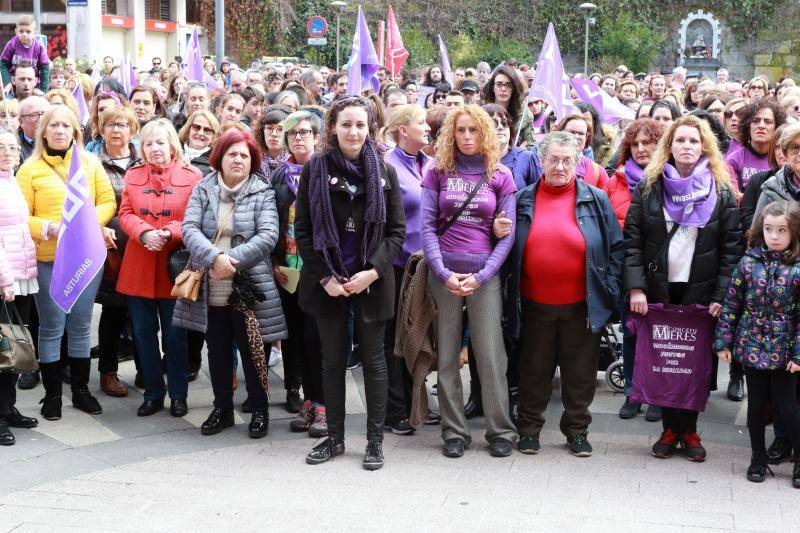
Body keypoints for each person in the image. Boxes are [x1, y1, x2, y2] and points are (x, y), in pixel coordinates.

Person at [295, 96, 405, 470]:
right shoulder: (315, 169)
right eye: (346, 124)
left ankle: (374, 442)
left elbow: (396, 232)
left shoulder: (385, 172)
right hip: (328, 281)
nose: (354, 132)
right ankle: (336, 439)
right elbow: (303, 231)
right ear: (333, 128)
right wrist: (325, 276)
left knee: (375, 361)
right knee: (332, 362)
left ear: (370, 128)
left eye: (360, 125)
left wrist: (372, 271)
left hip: (371, 280)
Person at [624, 116, 742, 461]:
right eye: (680, 141)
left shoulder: (720, 191)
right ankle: (669, 429)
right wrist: (636, 288)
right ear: (669, 147)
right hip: (659, 287)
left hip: (700, 291)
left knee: (692, 364)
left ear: (704, 146)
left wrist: (721, 295)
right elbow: (633, 242)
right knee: (664, 359)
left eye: (693, 140)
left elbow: (730, 249)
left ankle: (688, 430)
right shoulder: (650, 187)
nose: (687, 146)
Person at [505, 131, 623, 457]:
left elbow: (616, 249)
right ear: (541, 161)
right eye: (553, 160)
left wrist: (609, 291)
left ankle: (577, 430)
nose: (560, 166)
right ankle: (528, 429)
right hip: (534, 306)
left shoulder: (596, 200)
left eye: (567, 160)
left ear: (578, 163)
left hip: (581, 306)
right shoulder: (522, 199)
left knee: (580, 374)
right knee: (533, 372)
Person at [175, 129, 286, 437]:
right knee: (218, 349)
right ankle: (222, 407)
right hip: (210, 283)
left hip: (247, 284)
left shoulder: (262, 190)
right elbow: (189, 228)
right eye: (232, 154)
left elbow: (267, 236)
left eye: (245, 155)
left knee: (253, 349)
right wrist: (214, 258)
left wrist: (230, 261)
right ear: (219, 158)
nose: (238, 159)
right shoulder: (203, 187)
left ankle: (260, 409)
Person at [421, 104, 518, 459]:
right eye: (460, 130)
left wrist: (482, 276)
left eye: (473, 130)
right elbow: (427, 227)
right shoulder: (437, 172)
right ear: (451, 133)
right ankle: (454, 431)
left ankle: (500, 430)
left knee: (491, 355)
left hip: (484, 277)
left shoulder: (501, 175)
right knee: (447, 355)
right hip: (443, 275)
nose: (466, 137)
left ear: (485, 133)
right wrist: (444, 273)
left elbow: (507, 236)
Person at [16, 105, 116, 420]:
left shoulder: (90, 162)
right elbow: (20, 217)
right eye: (54, 125)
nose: (60, 130)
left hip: (86, 259)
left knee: (81, 325)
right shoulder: (29, 170)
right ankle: (53, 396)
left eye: (66, 125)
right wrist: (47, 227)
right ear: (42, 131)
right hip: (48, 260)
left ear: (76, 130)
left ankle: (81, 391)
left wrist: (83, 224)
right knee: (51, 327)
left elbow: (107, 201)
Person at [713, 200, 800, 487]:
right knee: (756, 406)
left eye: (781, 230)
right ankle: (758, 457)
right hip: (752, 348)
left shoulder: (798, 269)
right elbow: (732, 304)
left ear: (794, 232)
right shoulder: (748, 263)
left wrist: (798, 354)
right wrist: (723, 341)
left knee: (787, 407)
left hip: (785, 350)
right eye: (768, 229)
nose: (774, 236)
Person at [270, 110, 326, 436]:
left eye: (304, 132)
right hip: (288, 272)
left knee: (318, 340)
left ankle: (323, 405)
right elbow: (273, 220)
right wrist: (276, 261)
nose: (298, 138)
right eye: (292, 134)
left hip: (318, 272)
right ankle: (307, 401)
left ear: (317, 137)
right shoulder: (280, 175)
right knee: (295, 340)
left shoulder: (326, 171)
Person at [605, 119, 665, 422]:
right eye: (635, 144)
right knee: (631, 332)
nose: (641, 149)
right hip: (626, 269)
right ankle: (632, 391)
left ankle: (655, 394)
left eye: (647, 142)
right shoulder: (614, 181)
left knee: (657, 337)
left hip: (661, 271)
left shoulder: (671, 180)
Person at [382, 104, 433, 435]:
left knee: (422, 336)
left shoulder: (431, 164)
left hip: (428, 267)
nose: (428, 126)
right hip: (398, 268)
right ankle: (394, 409)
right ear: (403, 129)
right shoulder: (387, 166)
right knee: (396, 340)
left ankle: (417, 404)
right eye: (421, 122)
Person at [93, 104, 142, 398]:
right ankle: (108, 372)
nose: (116, 130)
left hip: (142, 246)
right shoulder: (92, 162)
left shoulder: (143, 158)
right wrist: (100, 227)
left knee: (143, 313)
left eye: (122, 124)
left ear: (132, 129)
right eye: (110, 125)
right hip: (111, 248)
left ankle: (145, 368)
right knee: (113, 312)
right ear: (101, 129)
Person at [0, 125, 39, 445]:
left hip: (22, 275)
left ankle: (8, 408)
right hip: (7, 279)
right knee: (3, 350)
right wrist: (6, 280)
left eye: (13, 148)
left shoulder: (11, 182)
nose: (8, 153)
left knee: (16, 348)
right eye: (1, 147)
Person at [726, 100, 786, 191]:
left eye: (768, 122)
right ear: (747, 126)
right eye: (755, 121)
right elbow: (734, 198)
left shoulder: (782, 157)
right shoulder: (733, 160)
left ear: (776, 127)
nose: (761, 126)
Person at [552, 114, 609, 189]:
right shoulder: (546, 164)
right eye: (571, 132)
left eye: (581, 133)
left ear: (586, 137)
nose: (576, 137)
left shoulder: (598, 172)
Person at [482, 65, 532, 147]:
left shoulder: (524, 114)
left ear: (514, 88)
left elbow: (532, 145)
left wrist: (522, 151)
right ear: (492, 88)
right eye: (499, 84)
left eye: (508, 85)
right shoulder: (483, 112)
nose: (503, 89)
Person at [0, 15, 49, 93]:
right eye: (21, 31)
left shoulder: (39, 47)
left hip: (32, 86)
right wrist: (7, 82)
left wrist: (42, 90)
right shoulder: (11, 44)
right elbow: (3, 64)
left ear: (35, 32)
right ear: (16, 32)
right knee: (10, 102)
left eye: (28, 31)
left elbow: (45, 69)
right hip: (13, 85)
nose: (24, 34)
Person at [178, 110, 220, 176]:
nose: (200, 133)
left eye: (207, 130)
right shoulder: (172, 151)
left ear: (213, 136)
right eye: (196, 127)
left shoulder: (215, 163)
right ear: (188, 129)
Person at [255, 105, 291, 175]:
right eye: (270, 128)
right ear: (262, 130)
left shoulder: (294, 163)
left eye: (280, 129)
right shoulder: (253, 160)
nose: (274, 134)